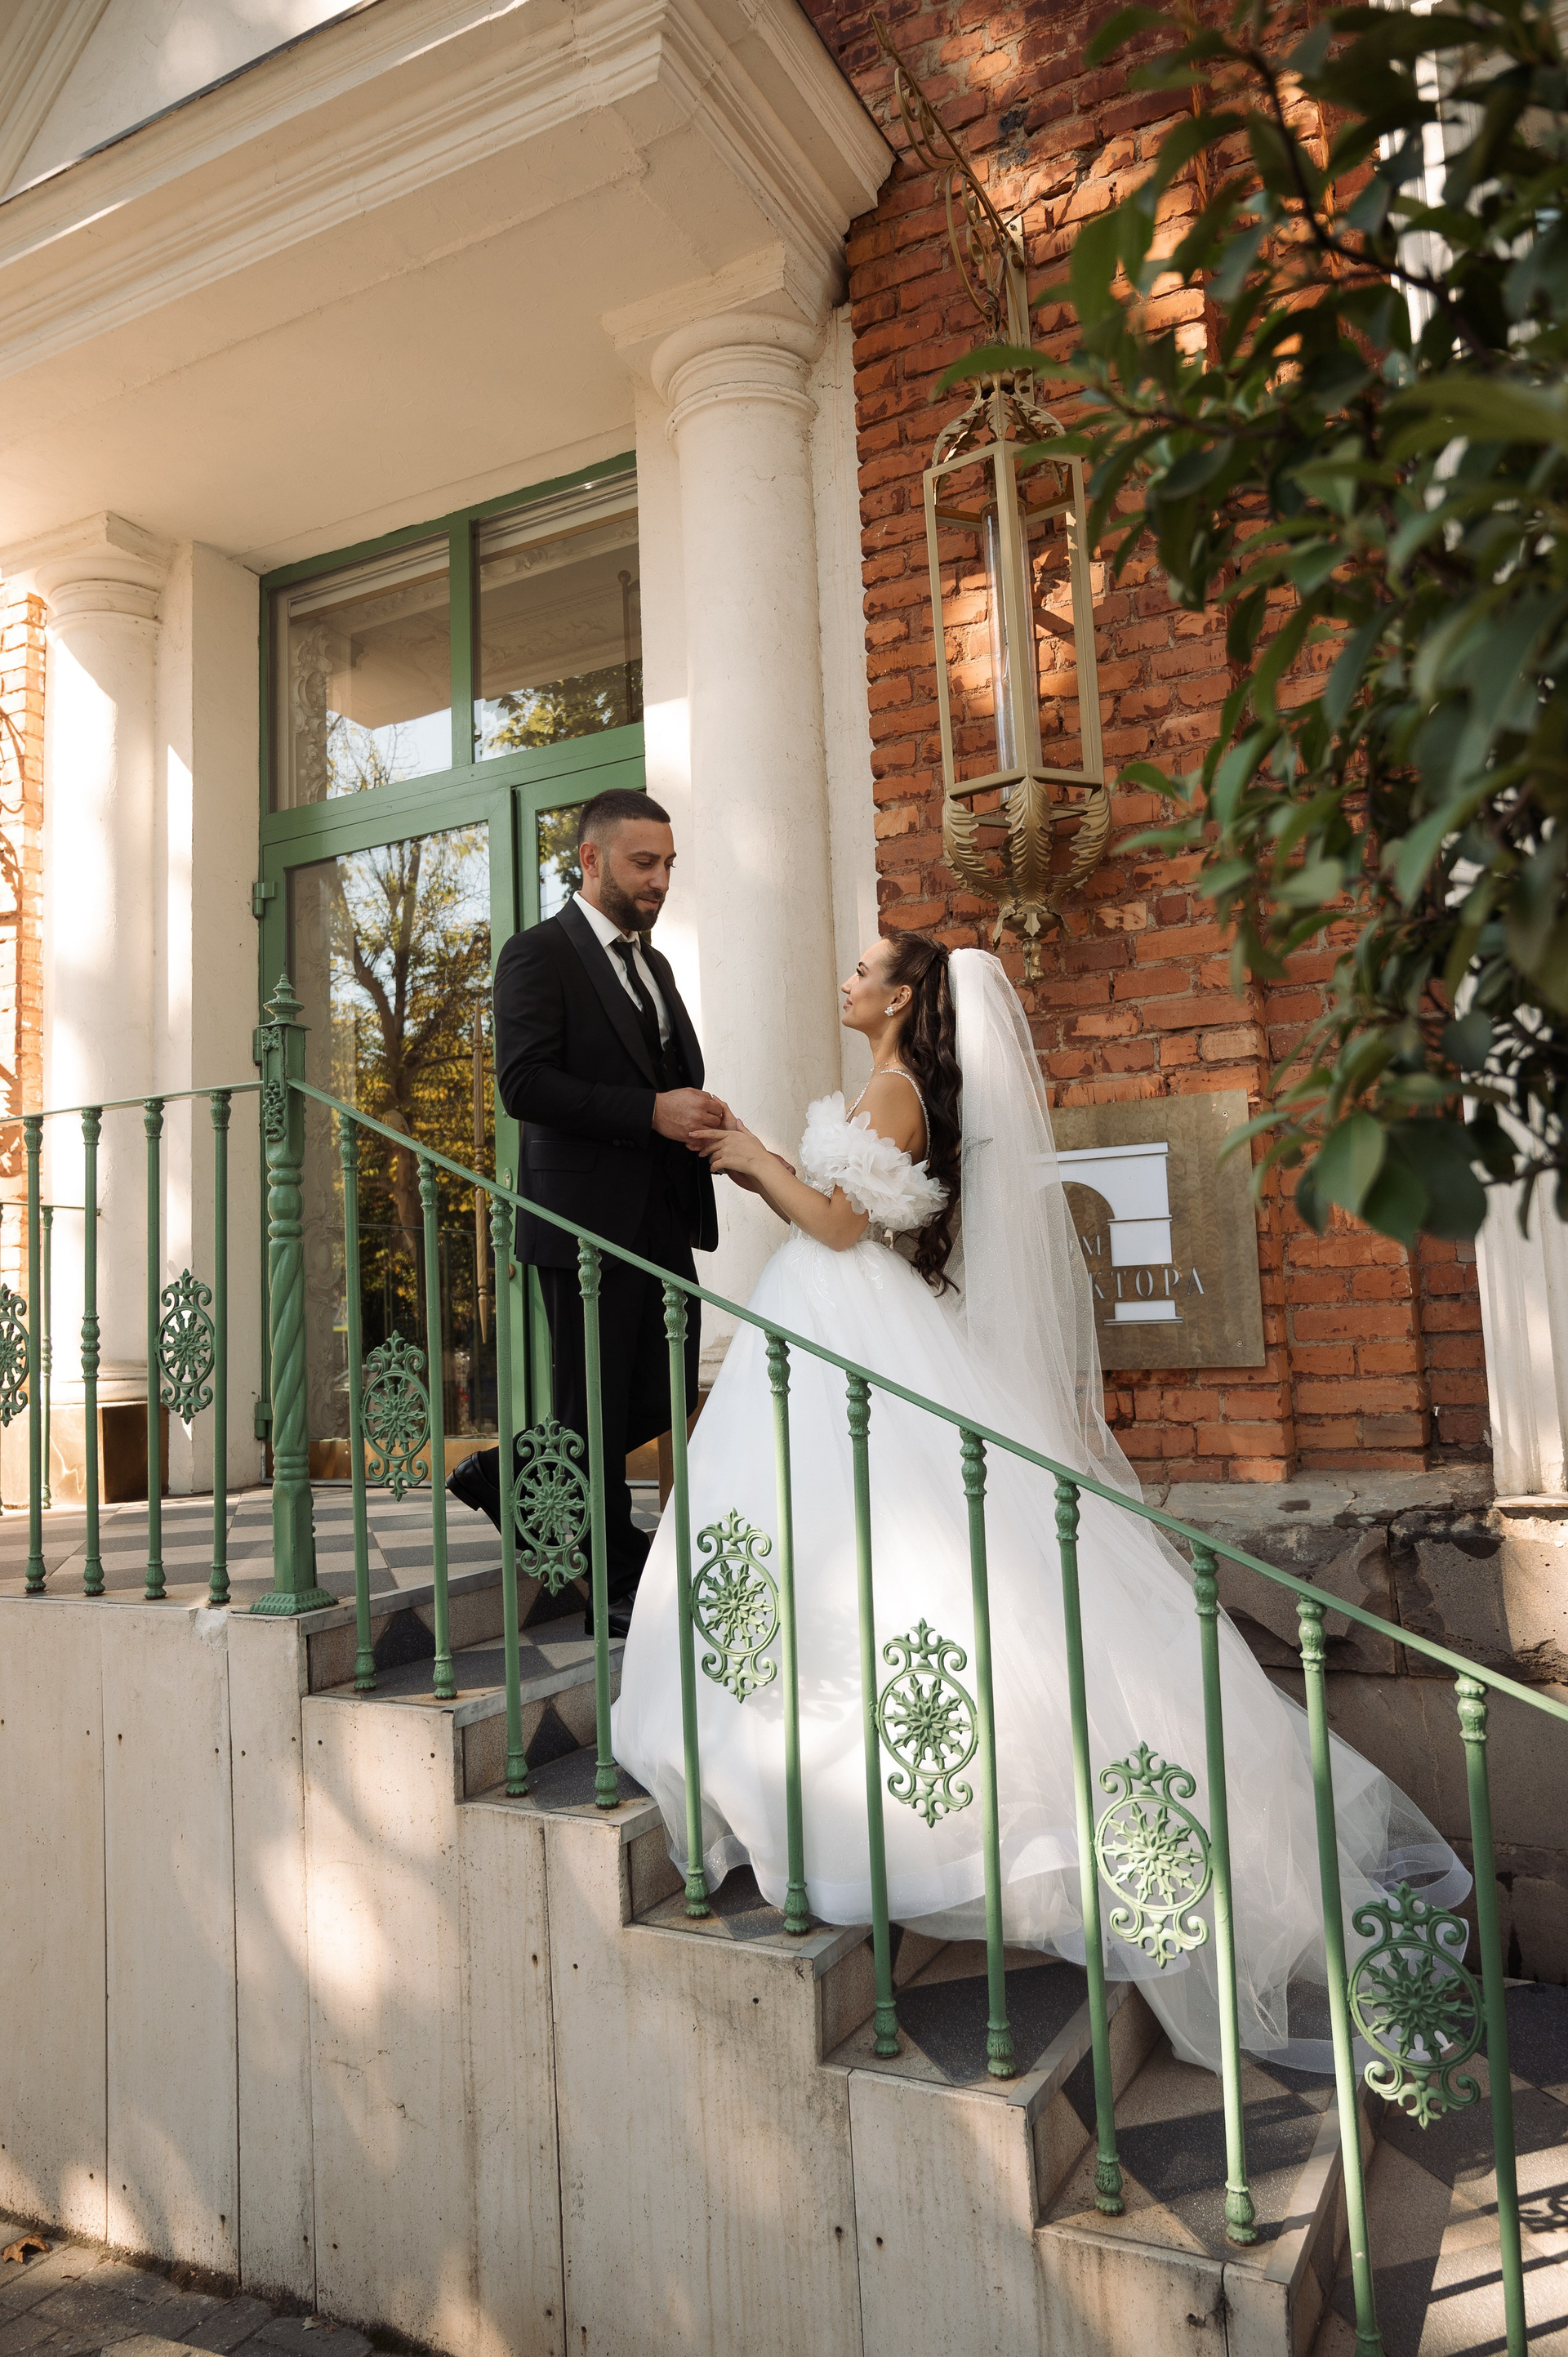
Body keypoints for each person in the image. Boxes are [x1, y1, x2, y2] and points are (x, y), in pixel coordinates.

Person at [611, 934, 1467, 2074]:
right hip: (829, 1321)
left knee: (878, 1542)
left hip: (839, 1316)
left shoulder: (898, 1090)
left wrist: (756, 1159)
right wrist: (758, 1159)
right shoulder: (887, 1086)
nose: (848, 978)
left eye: (864, 968)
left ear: (903, 996)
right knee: (824, 1537)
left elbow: (841, 1225)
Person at [448, 788, 725, 1639]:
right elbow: (524, 1084)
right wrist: (651, 1112)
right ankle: (609, 1580)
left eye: (668, 864)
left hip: (662, 1217)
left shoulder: (656, 965)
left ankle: (504, 1475)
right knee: (597, 1402)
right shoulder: (537, 954)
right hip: (580, 1225)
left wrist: (698, 1119)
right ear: (592, 859)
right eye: (644, 863)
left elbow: (657, 1072)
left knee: (660, 1391)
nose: (660, 879)